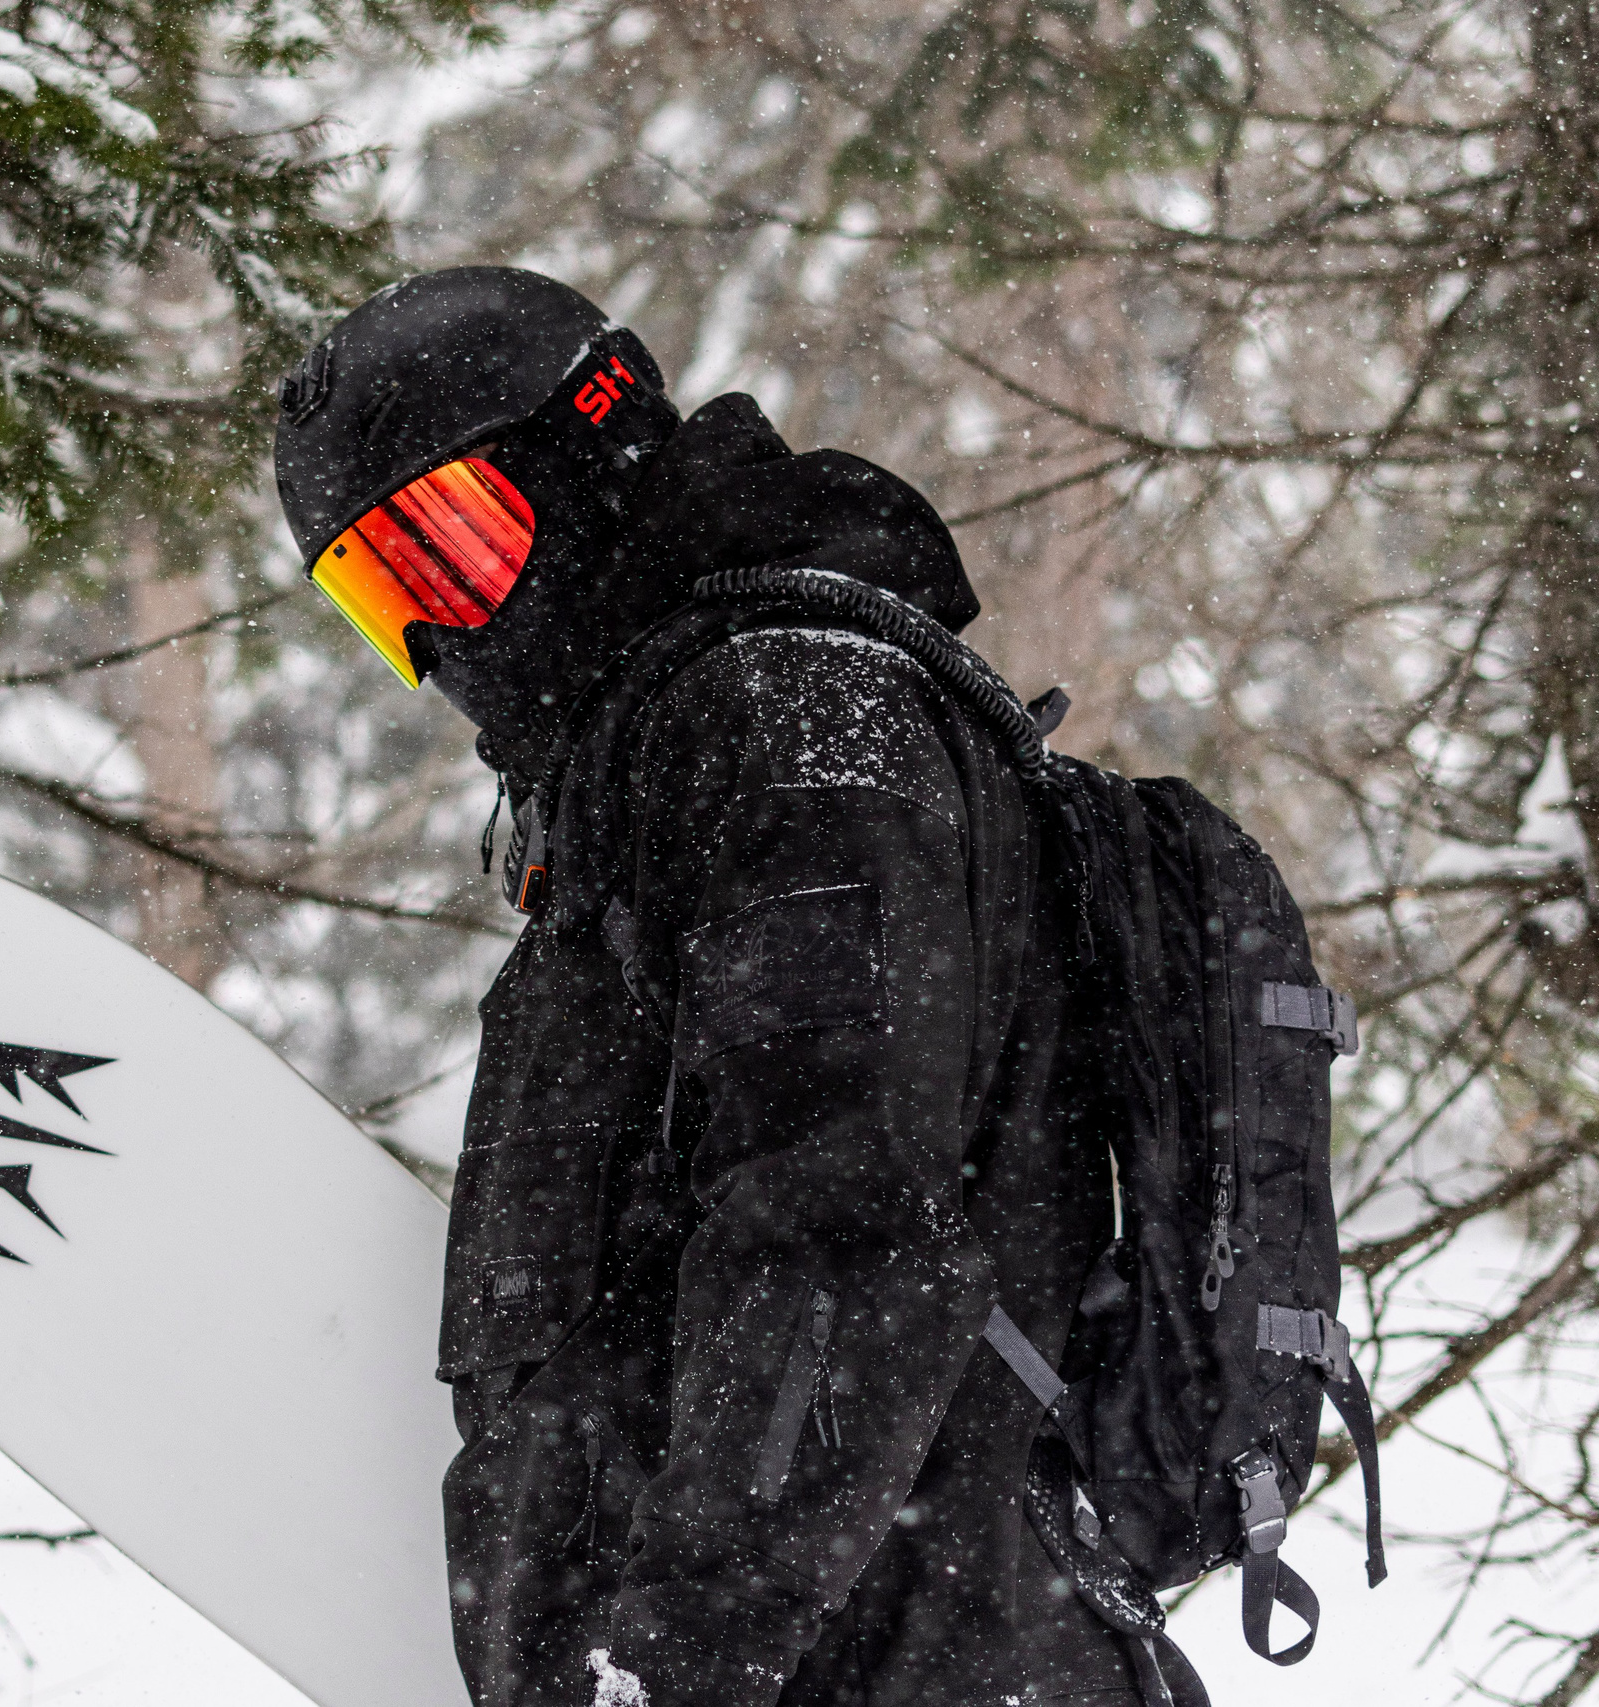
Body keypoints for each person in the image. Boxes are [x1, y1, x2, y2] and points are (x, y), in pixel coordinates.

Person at [273, 269, 1176, 1707]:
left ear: (596, 450)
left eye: (454, 552)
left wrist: (676, 1657)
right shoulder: (657, 758)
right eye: (387, 598)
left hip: (897, 1661)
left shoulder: (793, 724)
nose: (444, 640)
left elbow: (843, 1227)